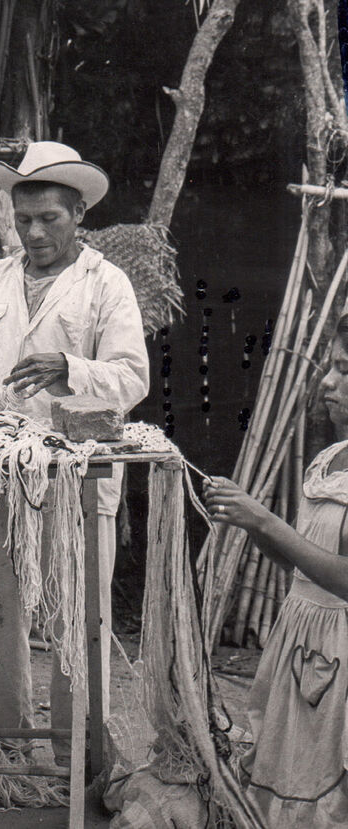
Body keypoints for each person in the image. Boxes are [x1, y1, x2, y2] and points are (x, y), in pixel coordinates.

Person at [0, 141, 150, 759]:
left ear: (79, 216)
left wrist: (69, 367)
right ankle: (6, 744)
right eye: (24, 220)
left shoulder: (105, 284)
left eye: (49, 218)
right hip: (0, 468)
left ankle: (79, 751)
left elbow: (132, 376)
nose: (35, 232)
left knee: (79, 614)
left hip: (77, 474)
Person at [202, 312, 348, 825]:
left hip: (343, 650)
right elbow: (300, 562)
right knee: (291, 764)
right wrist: (253, 525)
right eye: (331, 366)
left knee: (330, 776)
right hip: (302, 640)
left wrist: (265, 518)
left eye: (344, 370)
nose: (328, 382)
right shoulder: (330, 459)